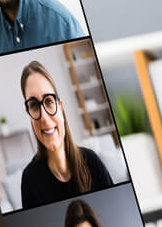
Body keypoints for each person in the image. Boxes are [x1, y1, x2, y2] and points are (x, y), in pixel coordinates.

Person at [18, 60, 114, 207]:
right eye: (34, 105)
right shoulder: (30, 180)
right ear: (29, 115)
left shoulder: (92, 162)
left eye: (49, 101)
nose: (44, 117)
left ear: (60, 107)